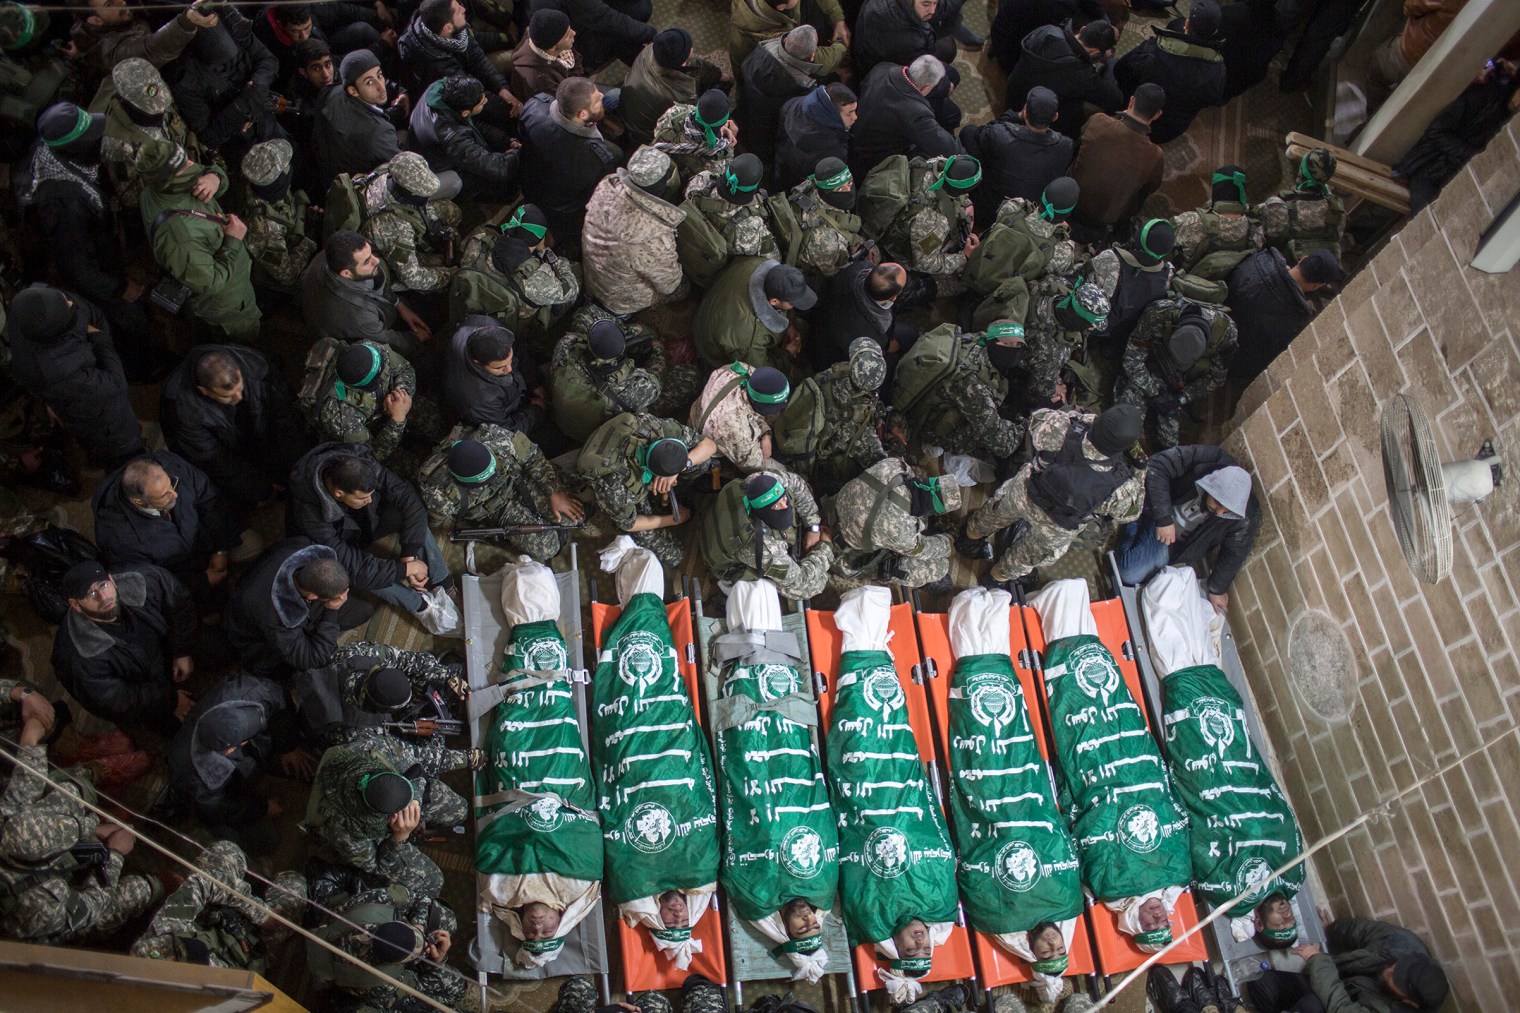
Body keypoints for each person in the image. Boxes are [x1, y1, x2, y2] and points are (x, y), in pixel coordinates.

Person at [823, 586, 960, 1007]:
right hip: (904, 792)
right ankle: (871, 630)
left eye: (909, 951)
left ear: (894, 948)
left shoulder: (870, 912)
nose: (920, 942)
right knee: (892, 725)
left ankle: (860, 631)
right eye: (926, 950)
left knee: (863, 735)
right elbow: (936, 844)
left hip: (865, 798)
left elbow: (852, 860)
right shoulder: (940, 903)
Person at [0, 714, 161, 945]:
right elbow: (93, 905)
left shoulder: (13, 828)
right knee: (122, 901)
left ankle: (96, 773)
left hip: (50, 853)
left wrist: (31, 741)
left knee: (68, 790)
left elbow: (21, 795)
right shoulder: (37, 910)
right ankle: (162, 885)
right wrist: (114, 855)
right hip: (65, 913)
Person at [19, 102, 152, 357]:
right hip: (93, 271)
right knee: (130, 319)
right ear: (75, 147)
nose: (98, 139)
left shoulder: (54, 146)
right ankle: (139, 366)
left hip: (94, 242)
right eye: (91, 137)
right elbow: (78, 269)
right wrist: (119, 287)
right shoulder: (62, 203)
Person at [960, 405, 1145, 585]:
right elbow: (1130, 514)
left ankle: (969, 541)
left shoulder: (1059, 426)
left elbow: (1036, 419)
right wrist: (1140, 470)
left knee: (994, 513)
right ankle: (995, 578)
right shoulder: (1121, 488)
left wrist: (1081, 417)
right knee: (1026, 556)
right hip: (1057, 526)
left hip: (1025, 492)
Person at [303, 730, 482, 897]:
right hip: (381, 841)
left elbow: (418, 765)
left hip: (403, 799)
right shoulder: (344, 831)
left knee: (459, 809)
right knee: (433, 883)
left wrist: (415, 801)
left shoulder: (376, 750)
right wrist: (400, 837)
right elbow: (376, 866)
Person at [287, 443, 452, 618]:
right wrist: (407, 569)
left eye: (372, 494)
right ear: (339, 493)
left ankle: (443, 581)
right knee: (363, 575)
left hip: (363, 524)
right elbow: (356, 568)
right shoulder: (309, 514)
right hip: (334, 546)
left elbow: (409, 498)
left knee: (408, 515)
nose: (370, 500)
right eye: (363, 497)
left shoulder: (361, 464)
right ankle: (421, 607)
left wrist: (409, 554)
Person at [50, 560, 196, 736]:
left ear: (111, 579)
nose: (103, 598)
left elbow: (180, 603)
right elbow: (118, 701)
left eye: (103, 585)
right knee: (182, 729)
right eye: (91, 594)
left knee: (220, 650)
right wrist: (171, 701)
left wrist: (182, 651)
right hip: (140, 687)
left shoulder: (143, 580)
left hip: (167, 650)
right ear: (75, 604)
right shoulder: (78, 655)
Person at [135, 140, 261, 343]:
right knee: (244, 340)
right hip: (227, 305)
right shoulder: (178, 237)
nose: (192, 165)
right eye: (184, 166)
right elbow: (210, 283)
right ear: (168, 179)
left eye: (186, 159)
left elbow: (212, 178)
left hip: (235, 281)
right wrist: (233, 241)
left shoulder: (165, 183)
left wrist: (215, 177)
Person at [4, 285, 143, 468]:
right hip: (94, 413)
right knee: (115, 444)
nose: (71, 301)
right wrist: (98, 337)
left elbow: (95, 314)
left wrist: (93, 331)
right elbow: (116, 384)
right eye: (67, 306)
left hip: (84, 387)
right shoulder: (56, 370)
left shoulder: (34, 302)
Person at [160, 344, 304, 509]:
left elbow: (285, 417)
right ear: (205, 391)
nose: (239, 396)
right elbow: (218, 461)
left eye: (241, 388)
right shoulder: (183, 409)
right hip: (223, 448)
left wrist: (298, 464)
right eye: (228, 396)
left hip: (254, 431)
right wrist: (262, 490)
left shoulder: (254, 365)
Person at [1114, 446, 1259, 608]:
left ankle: (1132, 518)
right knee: (1131, 568)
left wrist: (1217, 588)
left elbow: (1234, 552)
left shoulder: (1245, 517)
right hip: (1159, 509)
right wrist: (1163, 518)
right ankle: (1133, 518)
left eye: (1226, 511)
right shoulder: (1207, 458)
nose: (1219, 512)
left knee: (1129, 572)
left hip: (1171, 541)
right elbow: (1157, 465)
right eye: (1217, 502)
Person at [167, 672, 295, 854]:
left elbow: (278, 700)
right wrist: (262, 808)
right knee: (262, 839)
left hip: (243, 763)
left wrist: (288, 746)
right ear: (228, 750)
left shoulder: (247, 692)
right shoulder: (193, 775)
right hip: (219, 791)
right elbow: (220, 810)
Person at [131, 841, 307, 972]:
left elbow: (203, 882)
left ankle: (252, 880)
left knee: (227, 852)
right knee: (294, 886)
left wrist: (258, 911)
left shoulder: (165, 930)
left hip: (207, 914)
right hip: (249, 946)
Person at [91, 451, 241, 599]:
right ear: (139, 501)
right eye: (164, 495)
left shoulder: (172, 467)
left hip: (210, 541)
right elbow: (149, 581)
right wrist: (202, 581)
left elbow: (209, 499)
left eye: (171, 485)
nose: (174, 494)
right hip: (184, 577)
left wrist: (221, 549)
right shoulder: (117, 539)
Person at [419, 431, 584, 560]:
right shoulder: (438, 493)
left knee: (574, 518)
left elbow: (533, 457)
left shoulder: (493, 437)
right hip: (496, 510)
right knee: (549, 547)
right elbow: (437, 522)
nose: (494, 476)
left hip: (519, 482)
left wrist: (553, 492)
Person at [223, 537, 372, 681]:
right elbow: (313, 660)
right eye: (337, 598)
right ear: (312, 596)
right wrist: (331, 611)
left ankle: (312, 632)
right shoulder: (278, 616)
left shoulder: (303, 546)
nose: (343, 598)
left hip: (266, 587)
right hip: (256, 637)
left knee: (362, 610)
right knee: (319, 663)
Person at [305, 880, 468, 1011]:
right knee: (457, 987)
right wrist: (438, 961)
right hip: (324, 970)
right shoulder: (384, 984)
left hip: (323, 931)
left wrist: (419, 926)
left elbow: (418, 899)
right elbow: (420, 986)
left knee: (447, 920)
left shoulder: (376, 901)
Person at [577, 413, 716, 565]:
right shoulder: (613, 486)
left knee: (702, 462)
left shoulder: (656, 430)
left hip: (642, 470)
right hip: (626, 490)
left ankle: (672, 492)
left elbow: (709, 446)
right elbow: (630, 524)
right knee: (675, 556)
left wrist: (680, 467)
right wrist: (673, 520)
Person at [1246, 917, 1449, 1013]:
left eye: (1396, 978)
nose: (1390, 970)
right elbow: (1358, 930)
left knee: (1310, 1006)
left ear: (1410, 1002)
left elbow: (1341, 1008)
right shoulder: (1402, 944)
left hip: (1337, 1004)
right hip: (1336, 983)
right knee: (1260, 983)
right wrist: (1330, 928)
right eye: (1398, 966)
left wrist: (1318, 961)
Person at [891, 321, 1027, 461]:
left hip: (938, 398)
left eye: (1018, 345)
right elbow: (1003, 446)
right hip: (930, 427)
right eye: (1006, 344)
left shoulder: (977, 340)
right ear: (992, 342)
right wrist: (1027, 426)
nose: (1013, 350)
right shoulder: (973, 385)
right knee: (988, 433)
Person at [774, 337, 894, 493]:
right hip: (826, 457)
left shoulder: (832, 374)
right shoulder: (858, 411)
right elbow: (863, 444)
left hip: (812, 433)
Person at [1113, 297, 1237, 448]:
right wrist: (1154, 391)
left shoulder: (1225, 334)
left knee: (1170, 443)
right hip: (1148, 370)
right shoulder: (1158, 313)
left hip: (1181, 385)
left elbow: (1216, 380)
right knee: (1123, 425)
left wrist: (1179, 399)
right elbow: (1132, 359)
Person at [296, 641, 468, 749]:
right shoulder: (358, 732)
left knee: (444, 674)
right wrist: (433, 734)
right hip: (337, 730)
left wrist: (447, 676)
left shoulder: (360, 654)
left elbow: (412, 660)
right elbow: (401, 754)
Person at [1396, 63, 1520, 212]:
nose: (1518, 104)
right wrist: (1473, 155)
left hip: (1459, 177)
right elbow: (1436, 132)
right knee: (1432, 210)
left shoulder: (1507, 118)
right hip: (1430, 167)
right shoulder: (1483, 97)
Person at [581, 146, 687, 316]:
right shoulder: (651, 237)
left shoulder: (606, 187)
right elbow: (668, 283)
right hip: (620, 300)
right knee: (681, 288)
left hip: (593, 278)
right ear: (661, 186)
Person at [167, 9, 282, 164]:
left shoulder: (236, 30)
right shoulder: (186, 82)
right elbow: (208, 136)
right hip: (241, 144)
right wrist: (242, 108)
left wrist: (258, 85)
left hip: (267, 119)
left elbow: (268, 60)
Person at [447, 208, 581, 340]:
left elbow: (462, 252)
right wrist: (549, 254)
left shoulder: (478, 240)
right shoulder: (538, 278)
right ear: (539, 239)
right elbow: (571, 289)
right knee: (576, 272)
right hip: (510, 328)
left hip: (471, 309)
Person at [549, 318, 692, 442]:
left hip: (563, 420)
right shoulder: (633, 387)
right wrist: (658, 350)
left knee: (585, 314)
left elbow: (579, 337)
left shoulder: (566, 347)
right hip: (597, 438)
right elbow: (657, 377)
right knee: (689, 376)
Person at [699, 469, 834, 599]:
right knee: (815, 584)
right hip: (735, 558)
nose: (785, 507)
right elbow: (800, 580)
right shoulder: (762, 547)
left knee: (804, 490)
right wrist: (825, 547)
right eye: (776, 506)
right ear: (762, 511)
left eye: (784, 499)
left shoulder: (757, 482)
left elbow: (797, 483)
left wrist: (813, 527)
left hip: (720, 520)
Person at [518, 76, 623, 244]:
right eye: (596, 100)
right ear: (582, 114)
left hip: (531, 184)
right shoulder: (598, 159)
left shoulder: (534, 106)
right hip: (565, 211)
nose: (602, 96)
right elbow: (596, 197)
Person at [302, 229, 433, 359]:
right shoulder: (358, 317)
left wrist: (399, 304)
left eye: (371, 254)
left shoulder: (335, 254)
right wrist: (414, 338)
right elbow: (389, 342)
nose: (376, 260)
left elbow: (378, 282)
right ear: (346, 273)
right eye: (366, 261)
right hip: (349, 331)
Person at [830, 461, 960, 587]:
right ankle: (880, 576)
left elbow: (910, 476)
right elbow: (924, 549)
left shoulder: (895, 465)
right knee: (941, 567)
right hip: (839, 553)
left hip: (829, 510)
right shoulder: (903, 532)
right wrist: (948, 542)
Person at [100, 57, 205, 210]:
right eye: (153, 108)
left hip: (194, 176)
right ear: (128, 102)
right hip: (172, 206)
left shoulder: (160, 99)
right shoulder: (118, 145)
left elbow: (182, 131)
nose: (161, 109)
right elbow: (133, 199)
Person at [1114, 0, 1225, 144]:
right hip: (1169, 131)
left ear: (1187, 24)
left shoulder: (1152, 53)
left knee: (1112, 67)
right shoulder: (1218, 71)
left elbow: (1120, 71)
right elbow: (1212, 100)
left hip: (1134, 118)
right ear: (1215, 31)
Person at [1066, 83, 1165, 242]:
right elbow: (1149, 189)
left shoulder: (1098, 121)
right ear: (1157, 115)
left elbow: (1077, 146)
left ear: (1131, 101)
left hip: (1070, 198)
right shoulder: (1156, 155)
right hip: (1105, 218)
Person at [960, 86, 1073, 225]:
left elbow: (985, 131)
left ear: (1025, 111)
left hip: (985, 210)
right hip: (1022, 218)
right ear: (1055, 116)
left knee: (969, 131)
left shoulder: (1000, 134)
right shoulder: (1066, 145)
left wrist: (1015, 116)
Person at [1226, 247, 1341, 382]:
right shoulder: (1294, 320)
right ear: (1318, 286)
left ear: (1303, 259)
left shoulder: (1260, 257)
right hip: (1227, 360)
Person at [873, 153, 981, 296]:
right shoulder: (934, 222)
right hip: (900, 249)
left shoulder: (933, 165)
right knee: (960, 285)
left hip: (902, 217)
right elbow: (924, 263)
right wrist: (964, 257)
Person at [398, 0, 519, 126]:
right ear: (447, 28)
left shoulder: (452, 26)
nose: (463, 9)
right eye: (458, 10)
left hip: (465, 75)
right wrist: (509, 109)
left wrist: (501, 88)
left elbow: (477, 58)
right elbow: (468, 93)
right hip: (454, 101)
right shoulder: (433, 62)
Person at [356, 151, 461, 295]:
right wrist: (450, 274)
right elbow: (412, 278)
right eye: (424, 194)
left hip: (398, 211)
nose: (427, 196)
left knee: (453, 213)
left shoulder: (390, 169)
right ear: (412, 193)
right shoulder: (395, 227)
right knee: (439, 263)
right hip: (385, 245)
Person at [693, 257, 816, 376]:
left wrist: (788, 325)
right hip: (712, 346)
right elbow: (758, 371)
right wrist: (786, 354)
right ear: (774, 301)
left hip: (717, 306)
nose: (794, 306)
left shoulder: (756, 263)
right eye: (792, 303)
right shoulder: (747, 336)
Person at [1004, 19, 1122, 143]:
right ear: (1095, 52)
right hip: (1036, 114)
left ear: (1082, 29)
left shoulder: (1048, 30)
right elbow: (1114, 99)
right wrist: (1109, 63)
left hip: (1014, 93)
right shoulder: (1082, 74)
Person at [409, 74, 521, 203]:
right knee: (504, 186)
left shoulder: (439, 88)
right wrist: (518, 153)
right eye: (482, 102)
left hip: (431, 144)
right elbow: (498, 168)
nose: (486, 101)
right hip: (439, 166)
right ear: (465, 112)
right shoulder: (452, 136)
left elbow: (472, 125)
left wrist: (505, 140)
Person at [305, 340, 420, 462]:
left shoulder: (371, 350)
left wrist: (401, 394)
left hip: (391, 404)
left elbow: (406, 368)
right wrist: (397, 419)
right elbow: (373, 455)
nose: (384, 365)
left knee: (426, 412)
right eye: (380, 371)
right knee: (404, 465)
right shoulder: (339, 417)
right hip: (372, 433)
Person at [848, 56, 961, 181]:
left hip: (858, 129)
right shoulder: (916, 114)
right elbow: (948, 149)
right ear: (924, 88)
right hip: (874, 158)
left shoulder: (882, 68)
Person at [679, 153, 781, 287]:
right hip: (710, 276)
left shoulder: (701, 181)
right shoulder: (750, 226)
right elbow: (773, 258)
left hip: (685, 251)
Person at [312, 50, 404, 189]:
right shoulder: (378, 131)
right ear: (353, 91)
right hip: (361, 195)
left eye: (379, 75)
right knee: (450, 179)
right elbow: (404, 170)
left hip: (329, 182)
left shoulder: (329, 93)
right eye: (369, 82)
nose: (381, 86)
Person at [737, 26, 829, 164]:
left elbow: (745, 67)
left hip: (747, 108)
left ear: (786, 39)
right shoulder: (803, 86)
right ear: (811, 57)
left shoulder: (762, 49)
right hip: (771, 128)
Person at [1016, 279, 1112, 409]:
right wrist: (1054, 385)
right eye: (1091, 325)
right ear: (1078, 320)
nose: (1091, 329)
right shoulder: (1051, 355)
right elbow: (1034, 397)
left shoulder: (1057, 287)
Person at [1087, 218, 1176, 356]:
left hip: (1098, 325)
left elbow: (1084, 281)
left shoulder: (1110, 259)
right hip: (1126, 332)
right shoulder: (1168, 274)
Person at [621, 28, 724, 146]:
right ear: (683, 63)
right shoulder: (681, 94)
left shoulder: (649, 51)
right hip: (649, 135)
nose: (692, 49)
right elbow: (691, 121)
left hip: (628, 111)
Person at [240, 138, 317, 294]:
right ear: (278, 181)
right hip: (272, 279)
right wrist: (309, 239)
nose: (289, 167)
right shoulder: (264, 231)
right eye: (285, 166)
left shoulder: (256, 180)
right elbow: (287, 275)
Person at [788, 157, 873, 290]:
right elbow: (838, 275)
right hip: (814, 278)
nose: (848, 190)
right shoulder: (825, 240)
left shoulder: (812, 186)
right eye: (839, 189)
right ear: (826, 191)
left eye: (850, 183)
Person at [1169, 164, 1263, 283]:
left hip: (1189, 293)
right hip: (1233, 295)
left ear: (1216, 188)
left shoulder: (1191, 222)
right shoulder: (1255, 230)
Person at [68, 0, 216, 75]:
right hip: (172, 77)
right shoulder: (108, 53)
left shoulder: (115, 17)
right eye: (108, 4)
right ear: (95, 21)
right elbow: (150, 49)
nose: (122, 2)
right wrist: (187, 22)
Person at [812, 260, 914, 368]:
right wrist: (889, 347)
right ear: (892, 298)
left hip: (821, 328)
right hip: (836, 359)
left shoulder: (855, 269)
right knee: (910, 336)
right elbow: (883, 347)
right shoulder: (877, 332)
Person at [689, 363, 791, 471]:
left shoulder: (742, 370)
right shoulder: (737, 430)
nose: (785, 402)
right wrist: (789, 472)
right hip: (706, 444)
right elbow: (754, 464)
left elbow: (751, 409)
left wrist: (766, 433)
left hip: (704, 414)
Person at [1259, 148, 1346, 262]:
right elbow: (1338, 236)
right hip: (1323, 272)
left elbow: (1269, 237)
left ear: (1303, 169)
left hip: (1288, 271)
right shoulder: (1337, 209)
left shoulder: (1279, 204)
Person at [774, 82, 857, 193]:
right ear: (832, 113)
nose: (855, 117)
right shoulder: (833, 150)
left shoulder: (794, 104)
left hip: (780, 172)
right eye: (849, 113)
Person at [730, 0, 849, 75]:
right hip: (763, 70)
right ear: (781, 6)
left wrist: (838, 19)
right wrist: (841, 44)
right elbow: (816, 58)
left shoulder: (775, 4)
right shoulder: (768, 34)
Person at [532, 0, 657, 70]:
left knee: (641, 8)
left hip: (575, 18)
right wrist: (650, 33)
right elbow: (606, 18)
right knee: (618, 37)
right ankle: (652, 69)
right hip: (568, 39)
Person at [653, 89, 741, 184]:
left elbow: (657, 131)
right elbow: (718, 178)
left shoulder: (674, 113)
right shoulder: (718, 158)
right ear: (724, 122)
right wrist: (729, 145)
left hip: (658, 169)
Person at [852, 0, 953, 75]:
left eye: (935, 3)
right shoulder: (912, 41)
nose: (932, 10)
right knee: (949, 53)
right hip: (878, 75)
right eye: (926, 4)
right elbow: (916, 73)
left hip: (864, 54)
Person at [505, 9, 586, 101]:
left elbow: (576, 60)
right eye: (568, 35)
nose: (574, 33)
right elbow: (565, 101)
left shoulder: (545, 39)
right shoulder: (542, 82)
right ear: (553, 47)